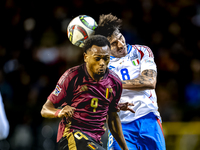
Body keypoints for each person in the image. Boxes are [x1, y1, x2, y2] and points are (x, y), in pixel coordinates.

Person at [41, 35, 129, 150]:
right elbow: (45, 109)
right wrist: (60, 112)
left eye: (106, 58)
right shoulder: (72, 76)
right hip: (72, 135)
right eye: (97, 58)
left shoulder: (115, 82)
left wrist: (125, 149)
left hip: (95, 140)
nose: (102, 63)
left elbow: (112, 117)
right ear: (86, 57)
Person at [94, 14, 166, 150]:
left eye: (120, 38)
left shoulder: (142, 51)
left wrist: (115, 83)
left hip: (148, 119)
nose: (121, 45)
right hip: (120, 126)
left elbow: (149, 81)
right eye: (114, 43)